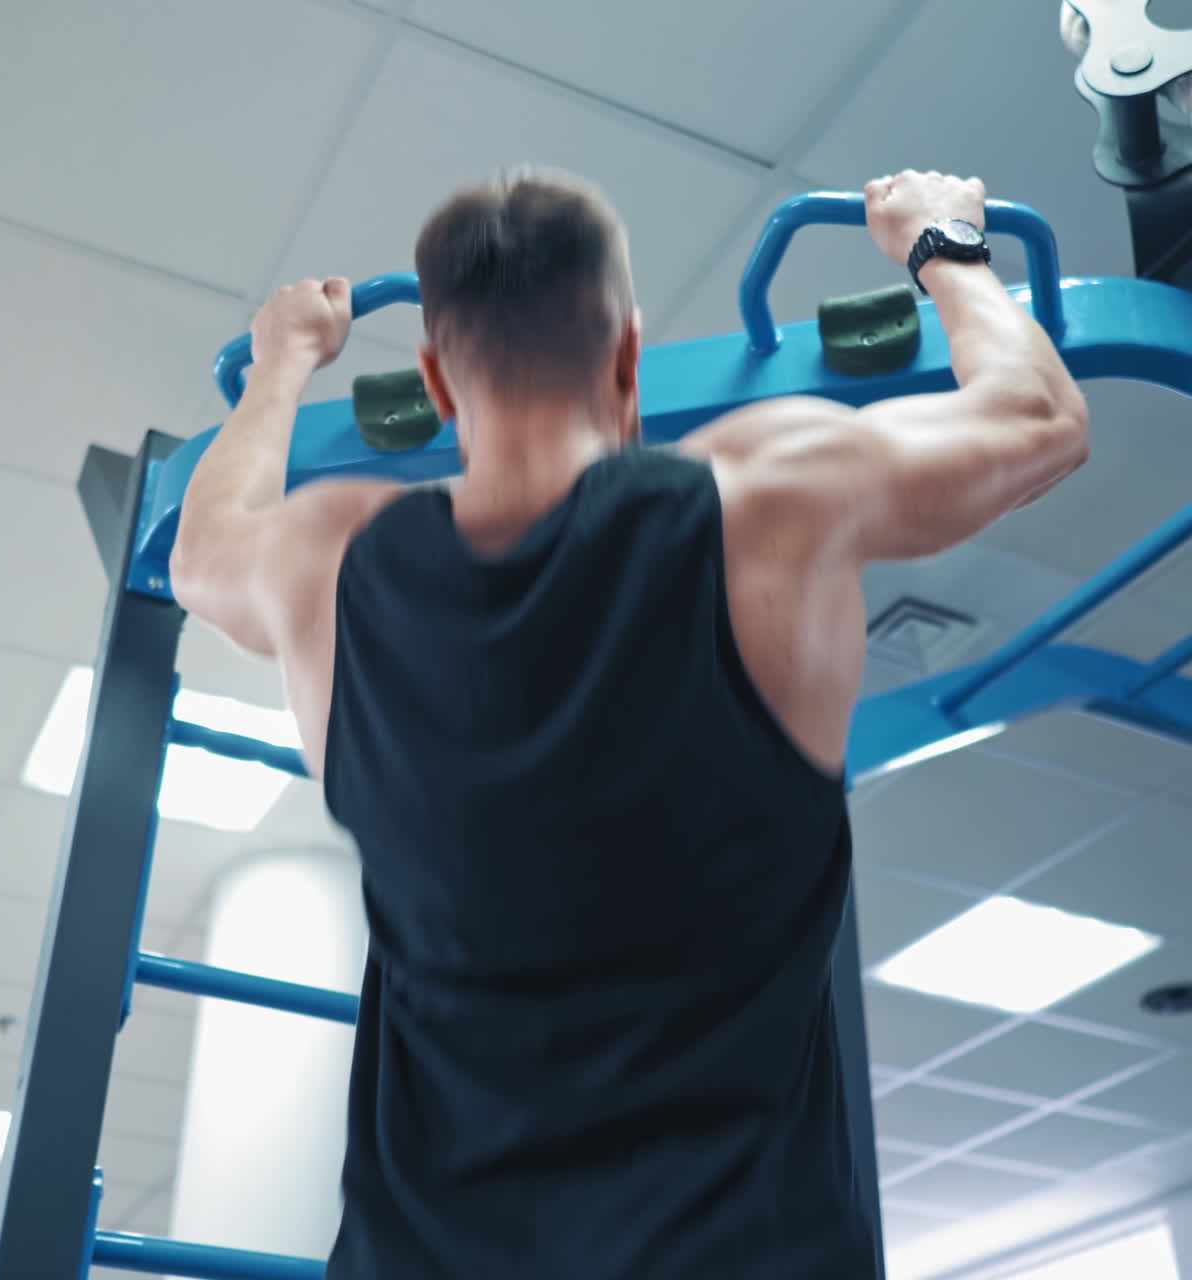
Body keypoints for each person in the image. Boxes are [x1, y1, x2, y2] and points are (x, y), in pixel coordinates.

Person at [170, 168, 1089, 1279]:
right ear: (625, 355)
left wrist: (281, 364)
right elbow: (1038, 416)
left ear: (437, 384)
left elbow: (200, 550)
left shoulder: (328, 558)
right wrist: (937, 241)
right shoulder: (767, 492)